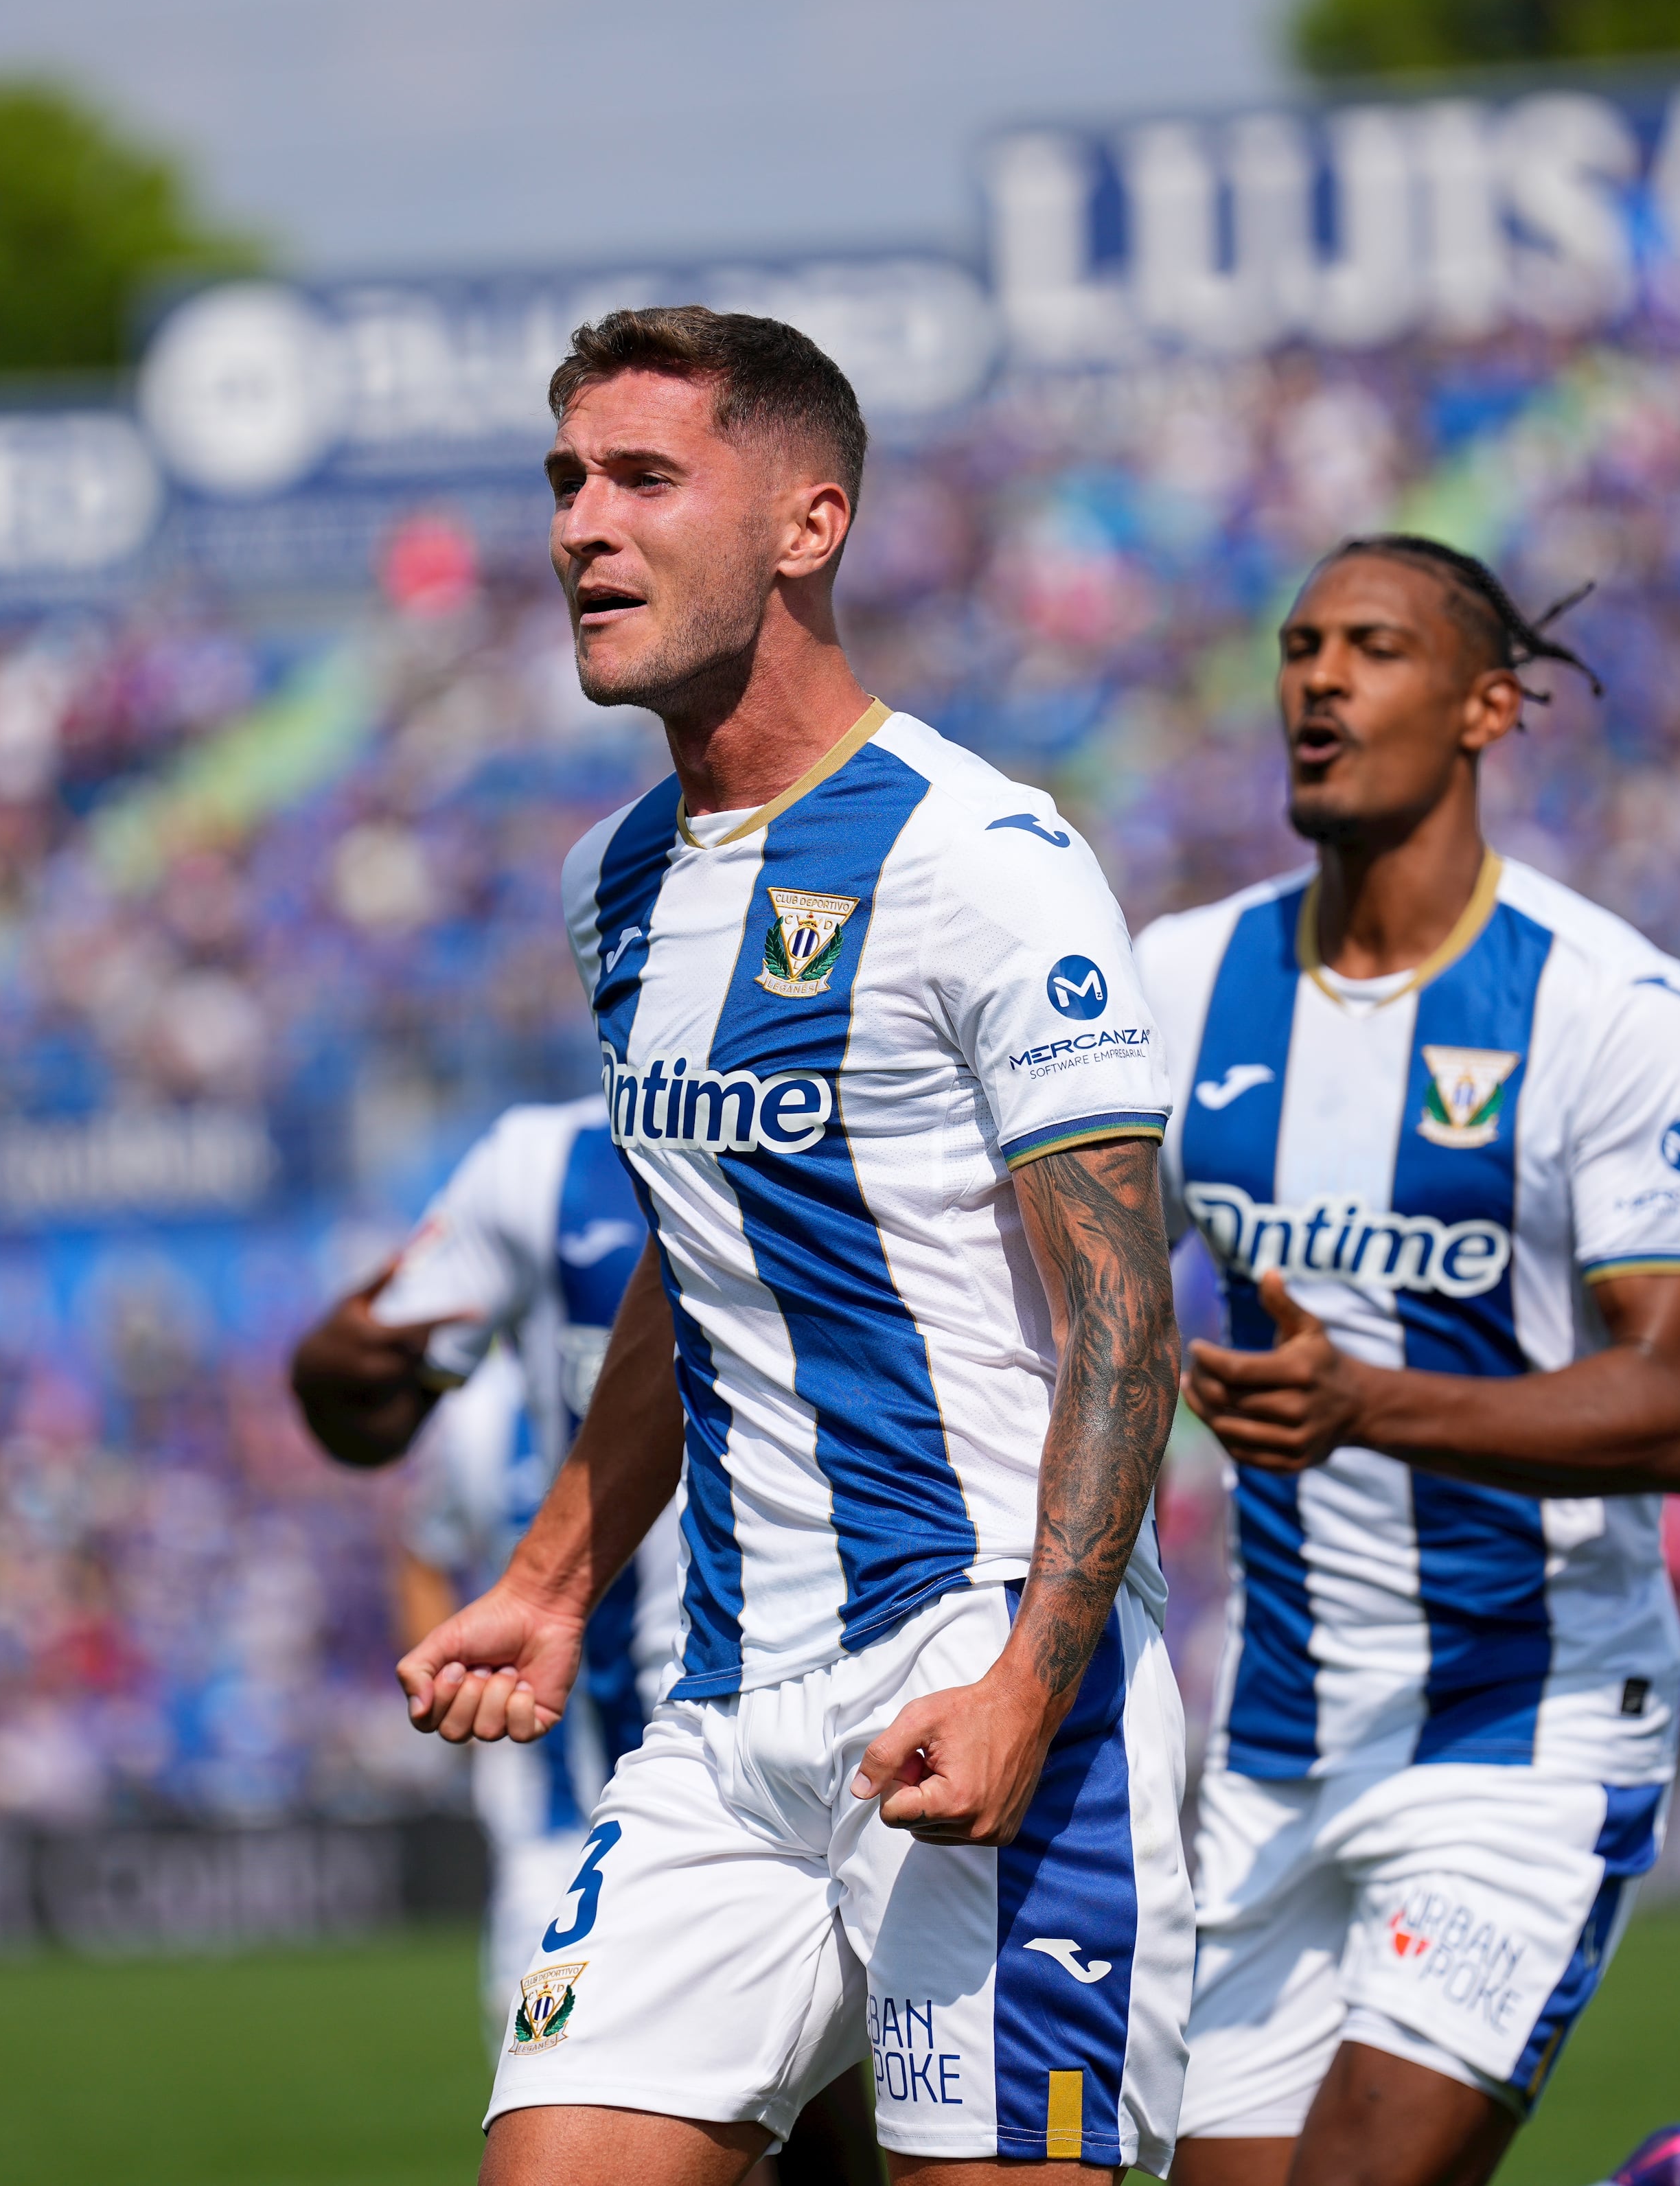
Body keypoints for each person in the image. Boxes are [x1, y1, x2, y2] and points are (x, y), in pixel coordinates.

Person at [397, 306, 1193, 2185]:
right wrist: (552, 1571)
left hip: (982, 1673)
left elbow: (1126, 1319)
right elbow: (710, 1251)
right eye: (566, 481)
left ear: (806, 522)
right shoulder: (616, 882)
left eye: (644, 477)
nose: (582, 524)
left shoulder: (979, 858)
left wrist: (1027, 1678)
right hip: (728, 1722)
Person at [1136, 536, 1680, 2186]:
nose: (1320, 677)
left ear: (1488, 704)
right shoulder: (1182, 983)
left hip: (1523, 1727)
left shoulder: (1606, 1004)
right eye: (1298, 643)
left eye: (1374, 647)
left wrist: (1368, 1408)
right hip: (1270, 1744)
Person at [291, 1098, 678, 2049]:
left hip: (864, 1699)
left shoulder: (879, 1094)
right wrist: (327, 1369)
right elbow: (370, 1413)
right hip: (611, 1779)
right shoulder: (539, 1166)